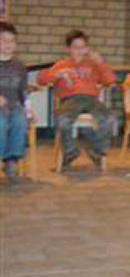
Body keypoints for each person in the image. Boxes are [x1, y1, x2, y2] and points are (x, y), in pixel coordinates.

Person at [37, 29, 115, 168]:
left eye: (83, 47)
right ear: (68, 49)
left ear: (87, 48)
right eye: (75, 47)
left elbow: (110, 80)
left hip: (92, 99)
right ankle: (71, 151)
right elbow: (41, 80)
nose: (79, 50)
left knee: (109, 117)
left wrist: (101, 62)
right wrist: (56, 75)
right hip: (70, 100)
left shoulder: (93, 64)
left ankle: (96, 150)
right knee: (63, 119)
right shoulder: (62, 64)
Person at [0, 22, 28, 181]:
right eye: (4, 40)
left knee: (20, 119)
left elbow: (23, 92)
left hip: (14, 104)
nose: (8, 44)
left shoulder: (20, 66)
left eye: (12, 40)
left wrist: (29, 110)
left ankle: (12, 160)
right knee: (1, 121)